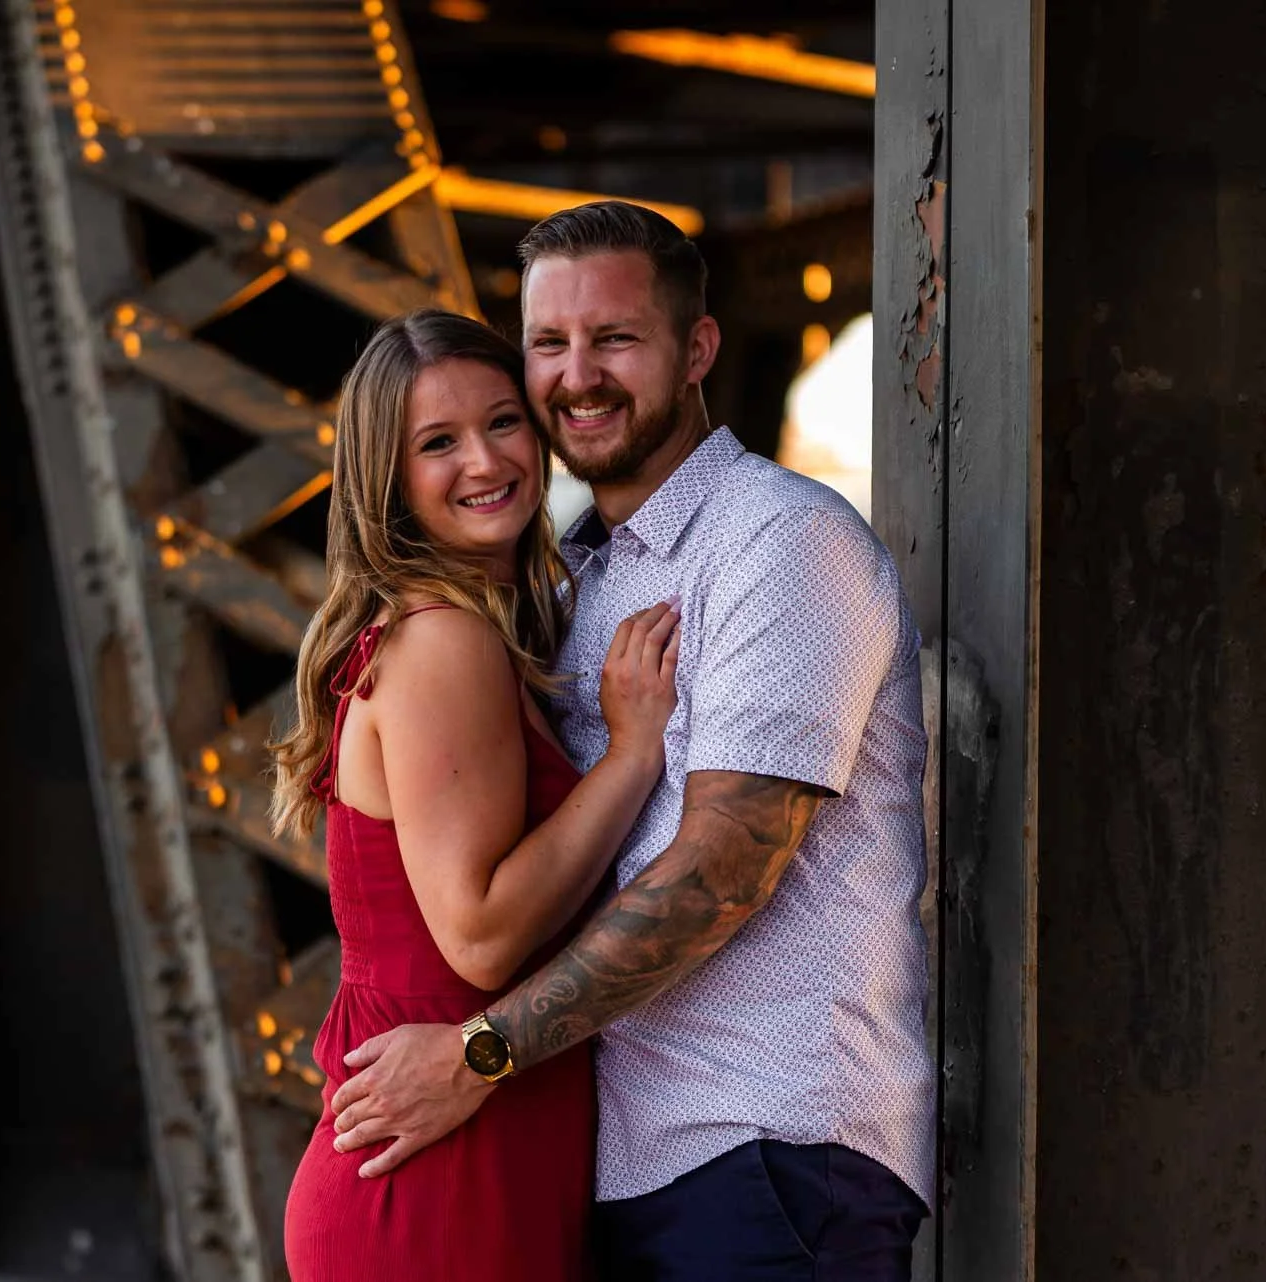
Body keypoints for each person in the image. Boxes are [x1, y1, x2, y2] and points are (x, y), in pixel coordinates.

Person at [325, 202, 936, 1280]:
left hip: (766, 1146)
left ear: (697, 349)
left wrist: (482, 1052)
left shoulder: (779, 541)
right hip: (621, 1163)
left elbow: (723, 870)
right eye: (549, 344)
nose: (579, 376)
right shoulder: (570, 582)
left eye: (615, 338)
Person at [271, 309, 682, 1282]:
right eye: (438, 443)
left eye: (502, 423)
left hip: (471, 1146)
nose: (485, 461)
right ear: (387, 477)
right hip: (437, 1179)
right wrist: (632, 757)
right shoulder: (443, 641)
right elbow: (482, 935)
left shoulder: (470, 631)